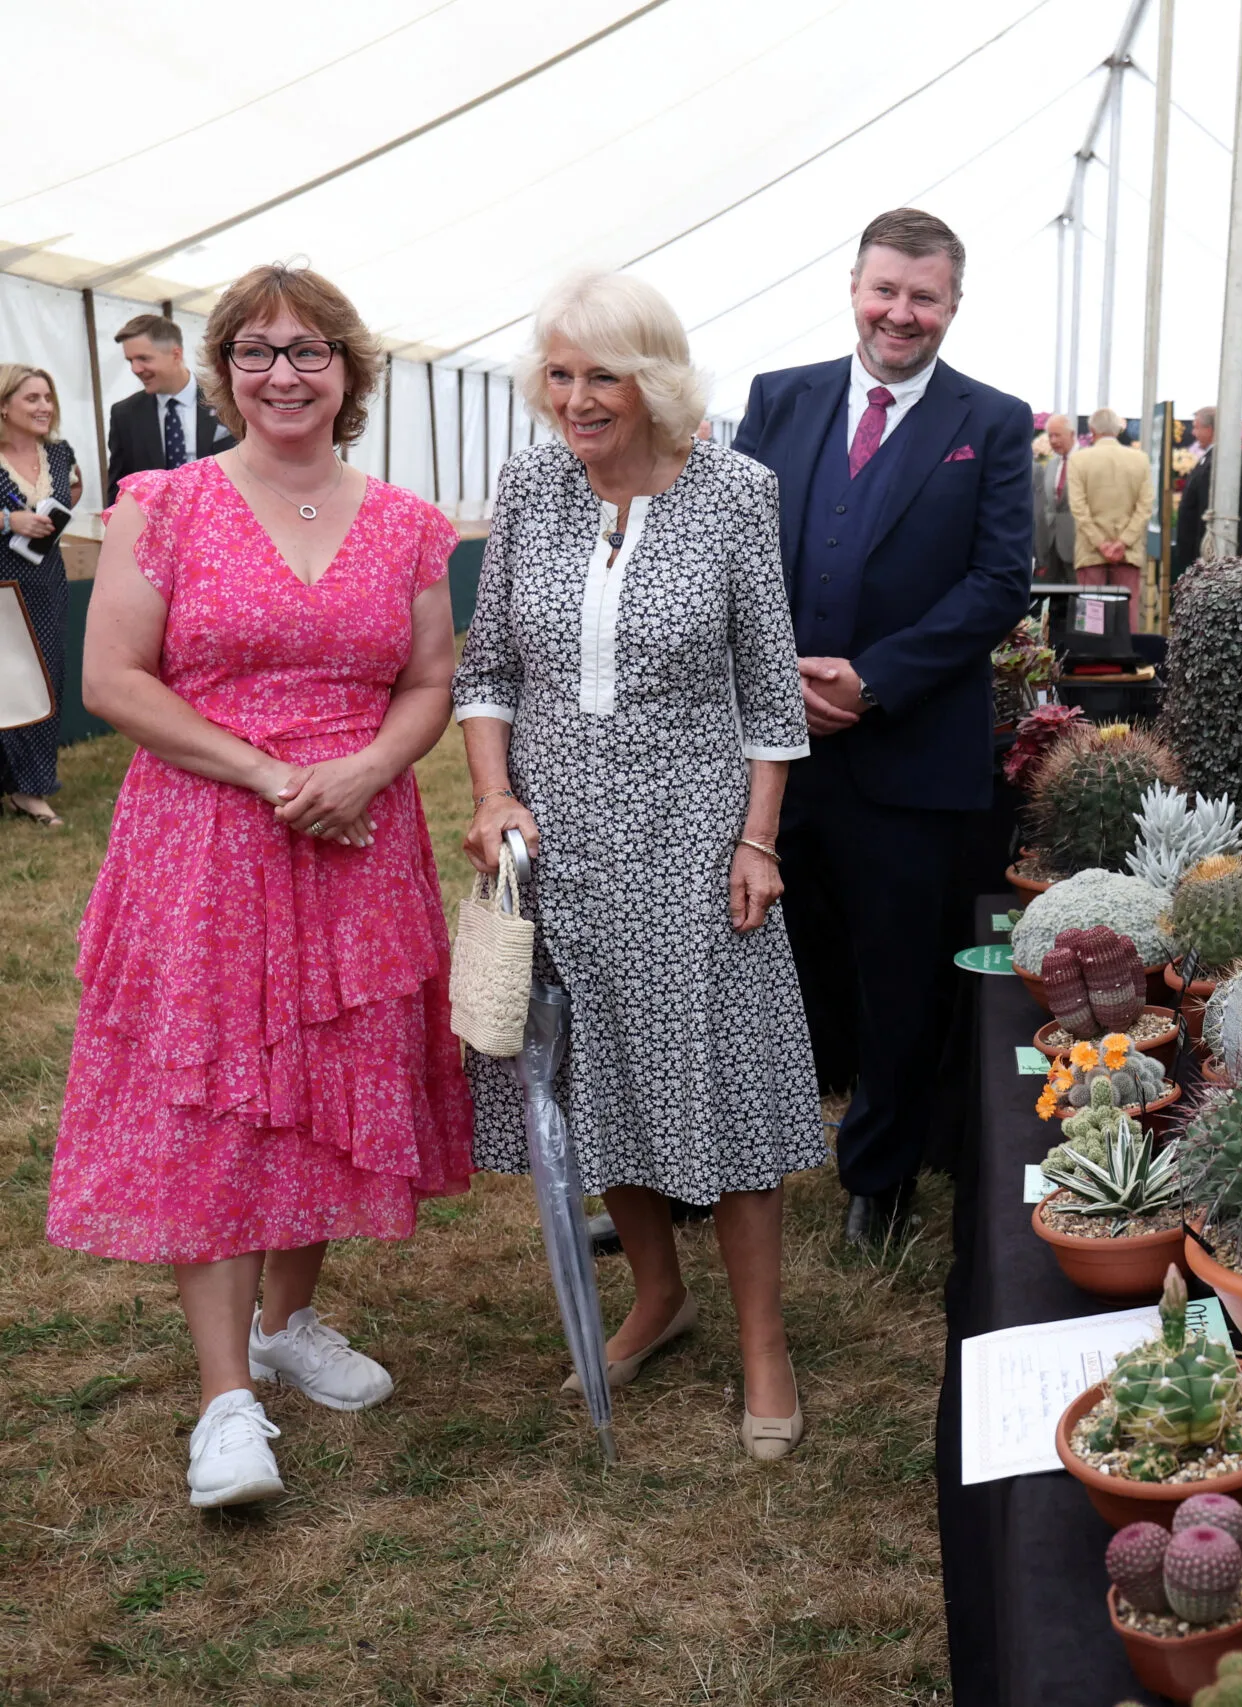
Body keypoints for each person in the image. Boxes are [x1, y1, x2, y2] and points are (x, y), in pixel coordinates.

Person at [47, 264, 473, 1510]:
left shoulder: (401, 522)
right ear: (224, 367)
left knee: (328, 1077)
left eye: (309, 352)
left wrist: (368, 771)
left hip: (355, 836)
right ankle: (224, 1397)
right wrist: (266, 770)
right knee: (221, 1098)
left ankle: (293, 1324)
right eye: (255, 352)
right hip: (205, 837)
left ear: (349, 372)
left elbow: (429, 681)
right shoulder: (163, 503)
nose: (282, 374)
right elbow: (116, 680)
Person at [454, 271, 823, 1460]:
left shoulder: (734, 493)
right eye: (557, 374)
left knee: (722, 1088)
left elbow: (771, 692)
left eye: (600, 375)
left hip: (695, 840)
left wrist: (757, 840)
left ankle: (763, 1342)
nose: (574, 399)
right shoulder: (528, 483)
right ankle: (656, 1296)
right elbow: (487, 672)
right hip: (560, 838)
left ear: (653, 381)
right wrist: (493, 792)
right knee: (594, 1076)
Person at [731, 207, 1033, 1248]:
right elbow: (733, 549)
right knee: (744, 960)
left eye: (925, 297)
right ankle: (702, 1171)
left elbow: (999, 581)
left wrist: (874, 681)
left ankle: (879, 1176)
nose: (901, 313)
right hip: (770, 748)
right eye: (886, 291)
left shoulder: (991, 422)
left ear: (952, 305)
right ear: (853, 286)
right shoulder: (781, 399)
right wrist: (777, 674)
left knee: (896, 973)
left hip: (907, 753)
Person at [0, 364, 82, 826]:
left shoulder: (59, 453)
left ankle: (31, 790)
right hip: (0, 585)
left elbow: (73, 489)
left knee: (44, 683)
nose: (44, 407)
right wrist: (9, 521)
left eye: (47, 398)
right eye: (32, 398)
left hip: (45, 583)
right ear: (3, 405)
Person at [104, 313, 234, 500]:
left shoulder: (226, 399)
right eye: (130, 360)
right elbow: (119, 491)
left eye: (143, 358)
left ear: (176, 354)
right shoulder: (125, 415)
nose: (135, 369)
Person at [1067, 406, 1149, 598]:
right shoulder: (1140, 460)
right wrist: (1123, 542)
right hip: (1128, 553)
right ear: (1118, 430)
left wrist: (1101, 543)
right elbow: (1144, 507)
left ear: (1092, 431)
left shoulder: (1079, 460)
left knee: (1092, 619)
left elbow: (1079, 508)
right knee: (1126, 617)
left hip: (1090, 552)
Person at [1170, 405, 1242, 578]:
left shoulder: (1223, 461)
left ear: (1209, 429)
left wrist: (1202, 555)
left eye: (1196, 427)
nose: (1193, 433)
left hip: (1213, 559)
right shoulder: (1212, 459)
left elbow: (1208, 511)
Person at [1030, 411, 1078, 578]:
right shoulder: (1051, 464)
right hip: (1051, 547)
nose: (1053, 441)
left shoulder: (1085, 461)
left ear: (1072, 434)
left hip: (1077, 546)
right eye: (1050, 436)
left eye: (1057, 435)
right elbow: (1046, 506)